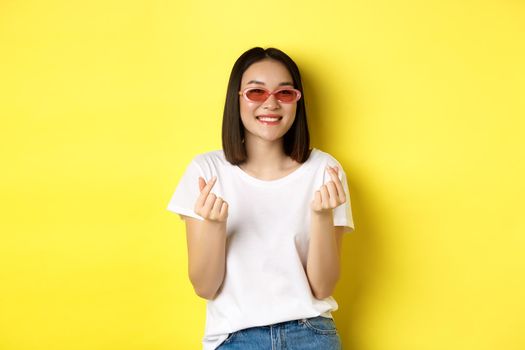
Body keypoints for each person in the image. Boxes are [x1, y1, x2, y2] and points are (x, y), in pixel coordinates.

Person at [167, 47, 355, 350]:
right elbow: (205, 287)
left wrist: (321, 217)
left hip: (311, 335)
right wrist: (215, 226)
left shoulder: (324, 171)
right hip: (234, 339)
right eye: (256, 92)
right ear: (237, 98)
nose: (270, 103)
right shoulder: (206, 171)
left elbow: (323, 287)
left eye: (284, 93)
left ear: (297, 101)